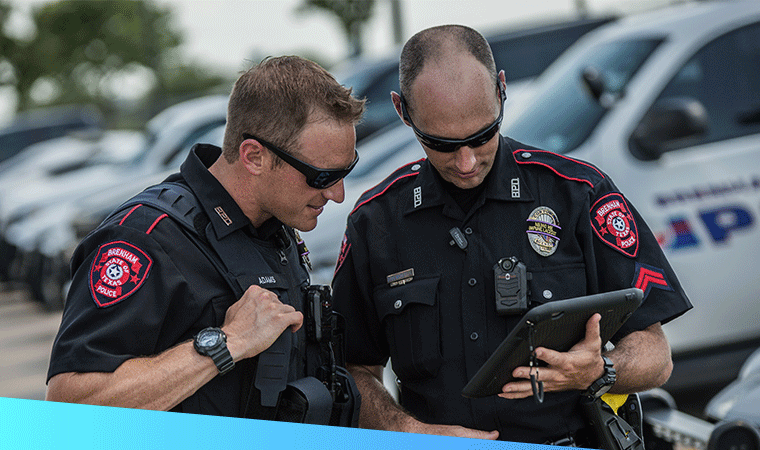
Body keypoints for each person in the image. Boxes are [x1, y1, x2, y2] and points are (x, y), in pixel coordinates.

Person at [331, 25, 692, 444]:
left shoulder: (578, 194)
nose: (465, 162)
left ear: (502, 90)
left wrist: (600, 370)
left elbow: (655, 353)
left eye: (482, 135)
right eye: (442, 143)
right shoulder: (377, 222)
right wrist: (410, 431)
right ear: (402, 110)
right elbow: (353, 369)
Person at [46, 56, 365, 423]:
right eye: (322, 177)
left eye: (346, 170)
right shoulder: (144, 239)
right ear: (254, 157)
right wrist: (226, 343)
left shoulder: (273, 225)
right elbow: (69, 406)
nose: (338, 194)